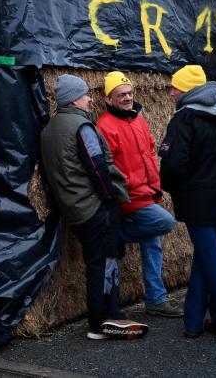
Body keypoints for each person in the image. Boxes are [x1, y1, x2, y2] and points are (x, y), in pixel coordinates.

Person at [40, 74, 148, 341]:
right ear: (75, 99)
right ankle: (101, 322)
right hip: (94, 208)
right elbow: (97, 166)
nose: (90, 99)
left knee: (101, 260)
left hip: (73, 209)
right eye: (86, 94)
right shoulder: (82, 127)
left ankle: (110, 314)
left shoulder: (49, 129)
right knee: (103, 263)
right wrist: (110, 199)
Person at [158, 65, 216, 338]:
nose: (171, 92)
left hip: (194, 199)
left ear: (187, 90)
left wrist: (170, 186)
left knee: (209, 260)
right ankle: (193, 322)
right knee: (204, 256)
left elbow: (173, 164)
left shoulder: (184, 119)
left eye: (175, 87)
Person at [97, 71, 183, 318]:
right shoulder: (104, 126)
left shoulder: (138, 119)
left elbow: (149, 152)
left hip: (147, 193)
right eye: (121, 94)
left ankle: (156, 299)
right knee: (164, 223)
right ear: (108, 99)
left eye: (130, 93)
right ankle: (116, 233)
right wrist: (125, 190)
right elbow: (107, 168)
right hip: (129, 197)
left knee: (152, 242)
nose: (127, 98)